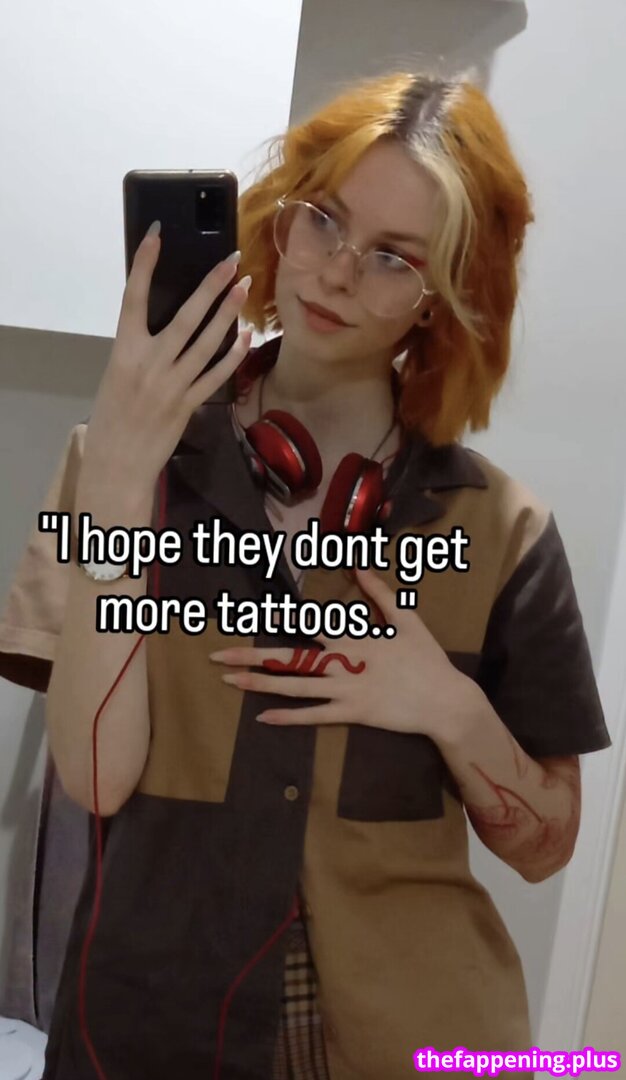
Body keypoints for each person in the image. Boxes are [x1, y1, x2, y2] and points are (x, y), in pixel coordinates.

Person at [0, 70, 612, 1080]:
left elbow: (544, 847)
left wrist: (447, 707)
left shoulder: (501, 530)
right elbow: (97, 778)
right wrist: (117, 474)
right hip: (154, 1034)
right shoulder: (111, 468)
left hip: (408, 1041)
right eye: (323, 219)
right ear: (280, 218)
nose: (334, 272)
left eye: (392, 258)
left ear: (438, 300)